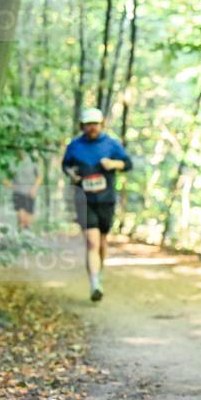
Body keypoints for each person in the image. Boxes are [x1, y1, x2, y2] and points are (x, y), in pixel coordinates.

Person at [63, 108, 133, 302]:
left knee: (102, 242)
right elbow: (66, 165)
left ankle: (98, 274)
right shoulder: (75, 146)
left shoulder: (111, 145)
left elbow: (128, 163)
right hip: (84, 200)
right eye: (88, 124)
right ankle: (94, 283)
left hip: (106, 200)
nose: (91, 128)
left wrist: (113, 164)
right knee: (92, 242)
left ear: (101, 125)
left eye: (95, 124)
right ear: (82, 126)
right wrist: (72, 174)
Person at [7, 153, 42, 231]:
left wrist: (34, 189)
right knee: (21, 219)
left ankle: (27, 236)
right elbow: (5, 179)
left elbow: (39, 177)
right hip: (18, 193)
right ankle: (20, 237)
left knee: (28, 221)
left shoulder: (33, 160)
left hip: (30, 193)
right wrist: (12, 186)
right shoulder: (12, 162)